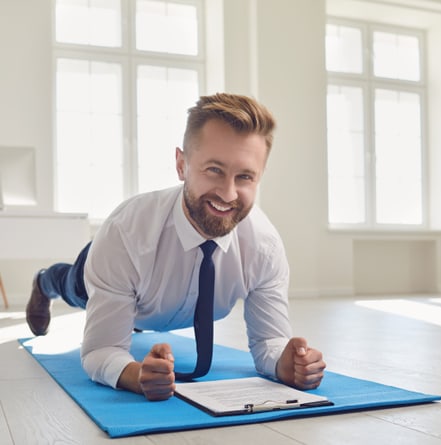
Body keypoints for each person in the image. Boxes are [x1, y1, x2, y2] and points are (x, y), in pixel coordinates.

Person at [26, 93, 326, 401]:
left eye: (245, 176)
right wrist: (134, 375)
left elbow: (270, 342)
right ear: (182, 165)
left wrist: (285, 363)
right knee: (72, 287)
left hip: (146, 297)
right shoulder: (125, 233)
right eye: (214, 170)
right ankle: (44, 280)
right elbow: (101, 350)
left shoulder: (263, 247)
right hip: (114, 268)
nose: (228, 193)